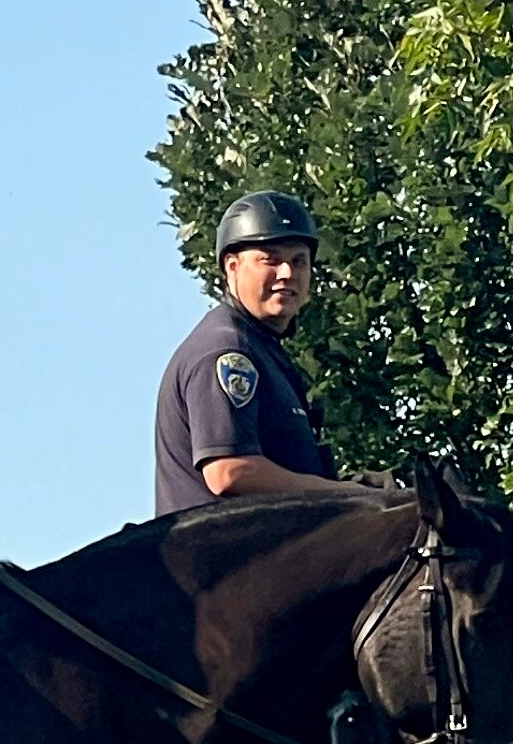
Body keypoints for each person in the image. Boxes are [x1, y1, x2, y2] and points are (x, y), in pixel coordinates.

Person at [154, 189, 366, 514]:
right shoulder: (227, 350)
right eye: (271, 260)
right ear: (232, 267)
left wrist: (359, 487)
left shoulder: (264, 349)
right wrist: (346, 495)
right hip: (225, 545)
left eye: (298, 261)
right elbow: (229, 472)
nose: (287, 274)